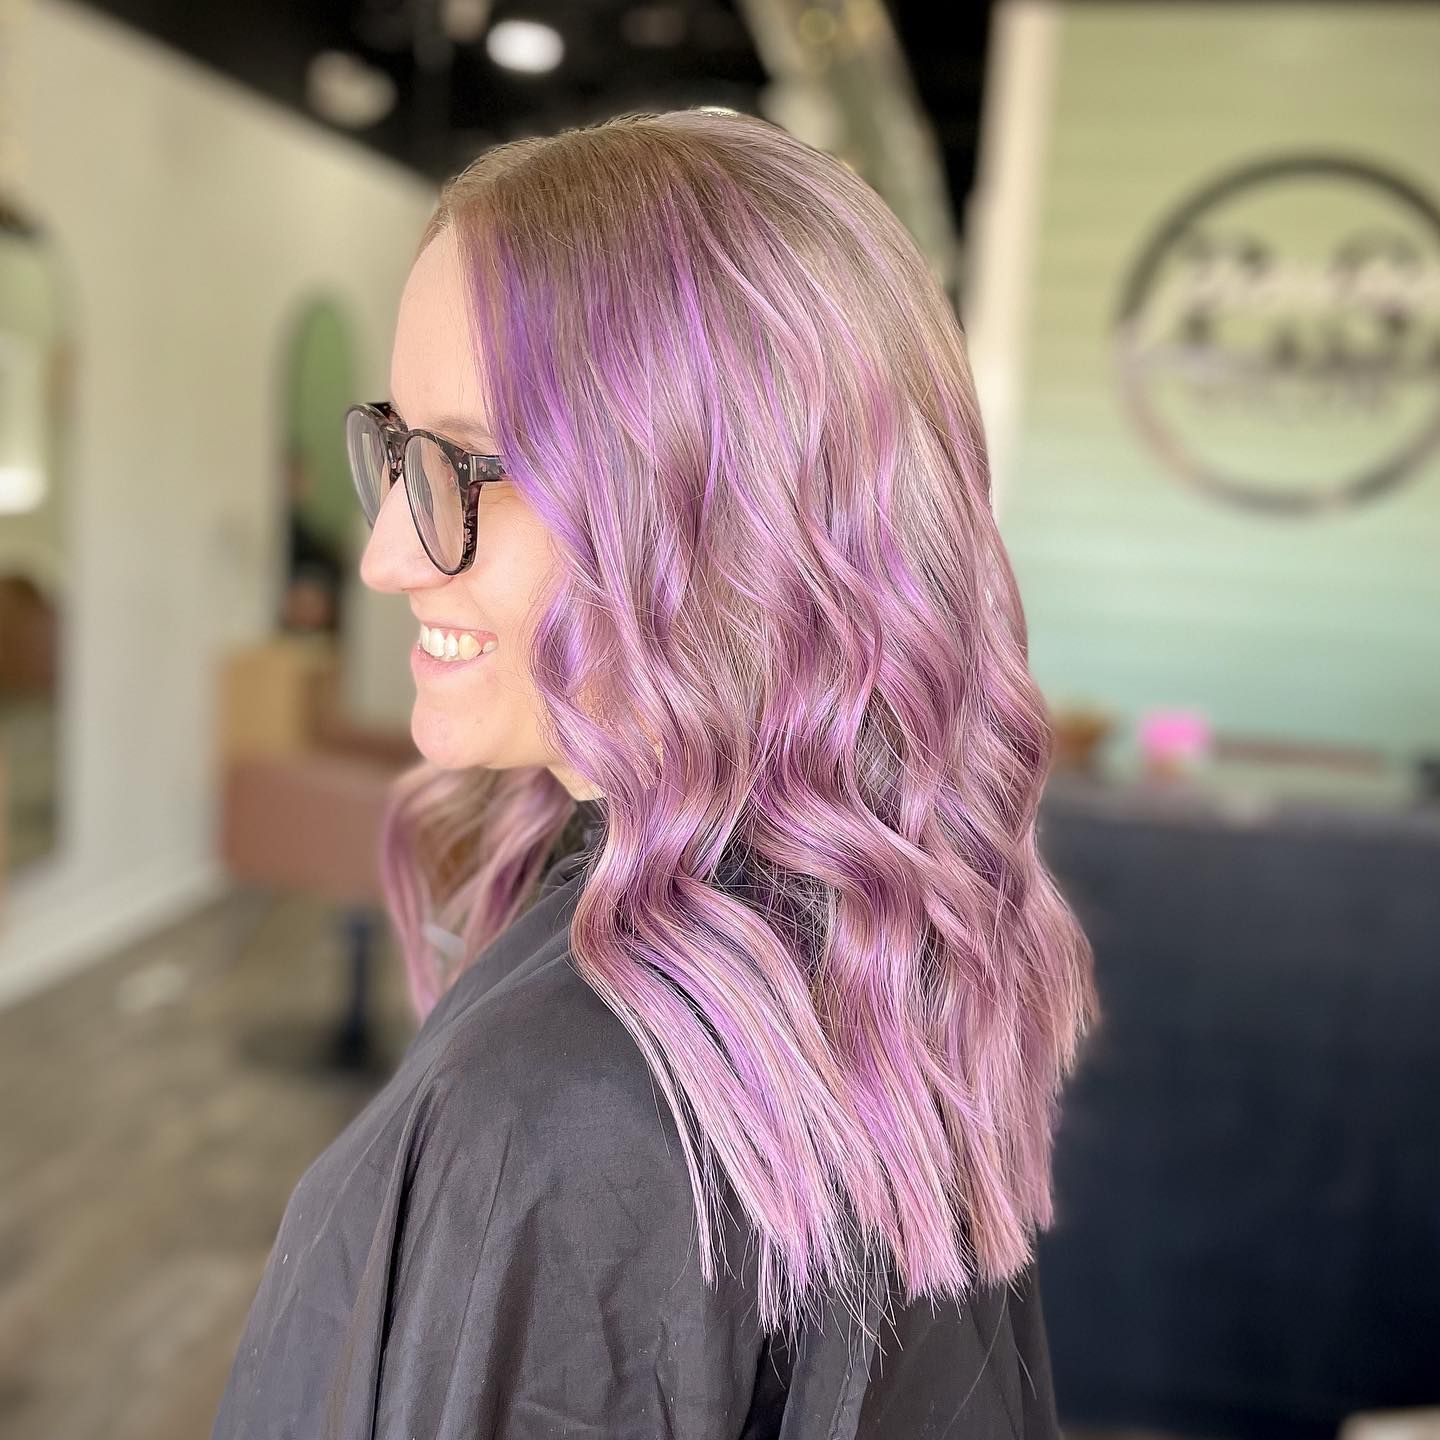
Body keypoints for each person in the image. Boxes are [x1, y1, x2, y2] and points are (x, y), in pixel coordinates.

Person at [211, 107, 1099, 1440]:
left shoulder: (564, 1118)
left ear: (717, 512)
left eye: (461, 467)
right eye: (395, 451)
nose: (387, 553)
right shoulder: (879, 961)